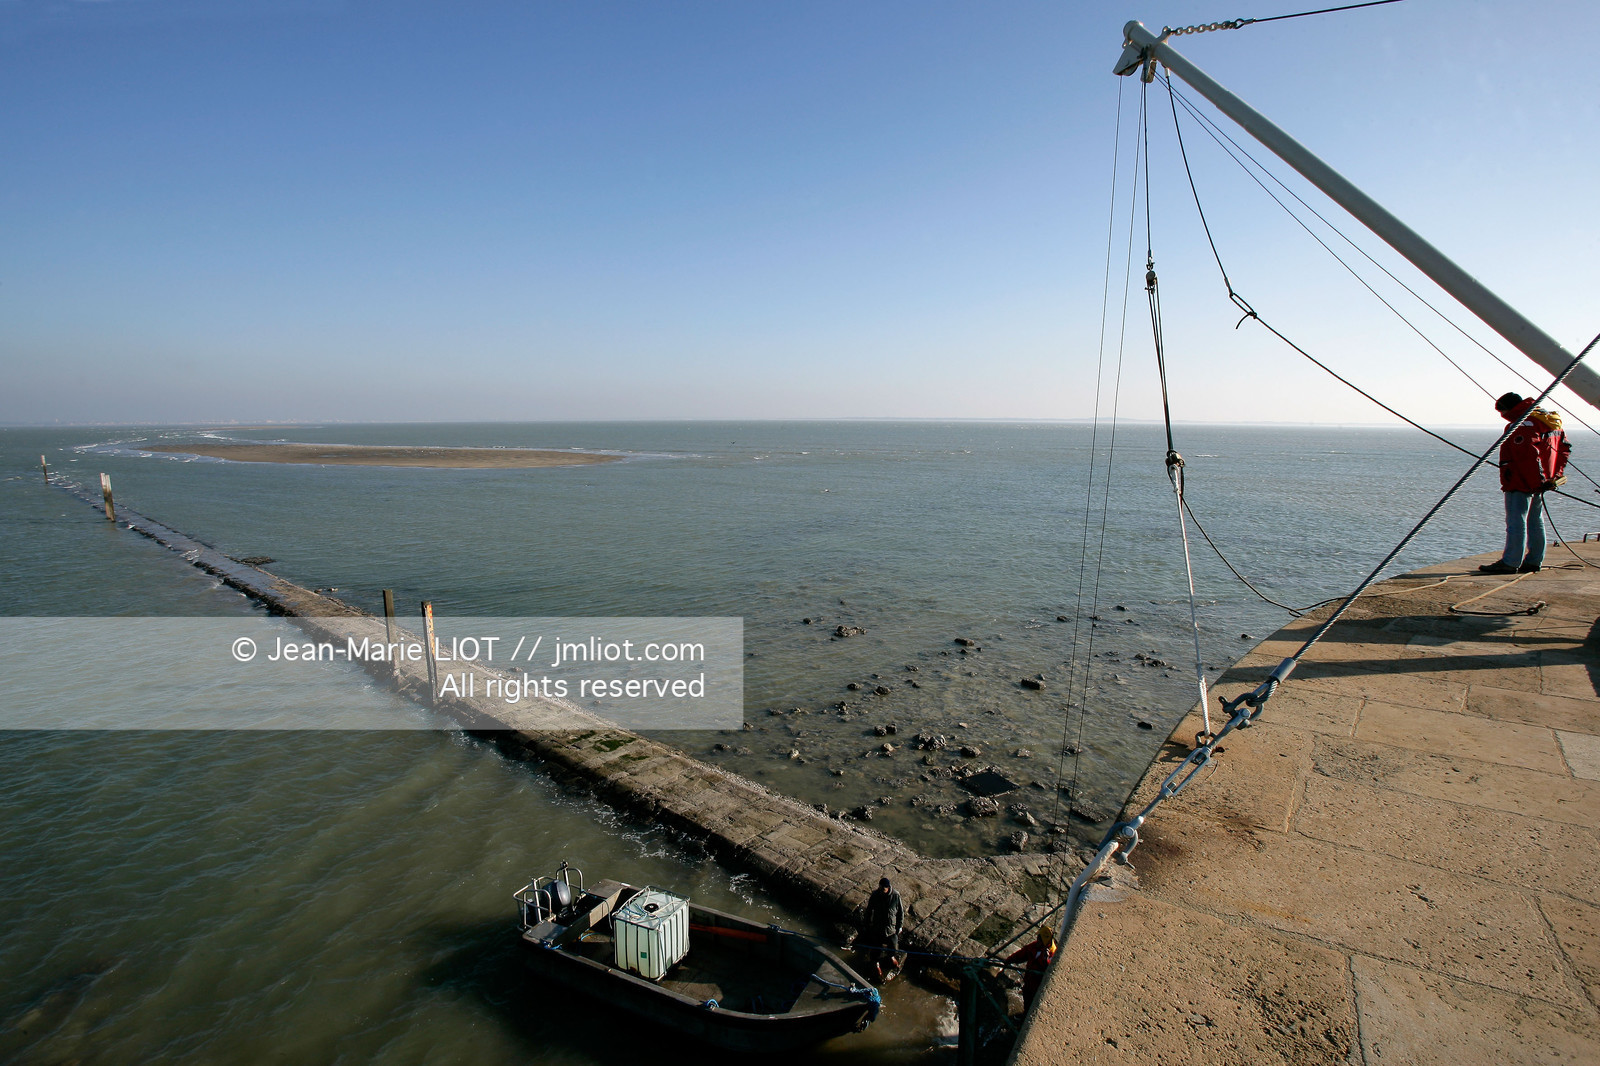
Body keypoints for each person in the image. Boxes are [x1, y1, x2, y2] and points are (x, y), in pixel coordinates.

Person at [1480, 392, 1571, 575]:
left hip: (1520, 482)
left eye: (1502, 412)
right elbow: (1564, 449)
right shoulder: (1548, 420)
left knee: (1516, 521)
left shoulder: (1520, 426)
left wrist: (1534, 481)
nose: (1502, 416)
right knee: (1535, 521)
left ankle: (1511, 561)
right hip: (1542, 481)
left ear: (1508, 408)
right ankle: (1534, 560)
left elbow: (1528, 456)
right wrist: (1552, 477)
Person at [857, 877, 904, 980]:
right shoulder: (875, 895)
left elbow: (900, 913)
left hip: (891, 928)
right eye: (880, 887)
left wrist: (899, 926)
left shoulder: (896, 896)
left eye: (883, 888)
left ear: (888, 888)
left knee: (894, 945)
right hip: (877, 927)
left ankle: (891, 956)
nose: (881, 890)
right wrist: (866, 924)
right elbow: (869, 911)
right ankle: (876, 964)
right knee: (876, 948)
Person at [1005, 925, 1057, 1014]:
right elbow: (1022, 954)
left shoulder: (1054, 955)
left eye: (1039, 939)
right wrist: (1008, 961)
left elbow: (1051, 973)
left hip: (1038, 986)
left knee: (1035, 1003)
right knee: (1027, 998)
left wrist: (1046, 961)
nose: (1037, 941)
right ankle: (1025, 1013)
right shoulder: (1034, 947)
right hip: (1029, 982)